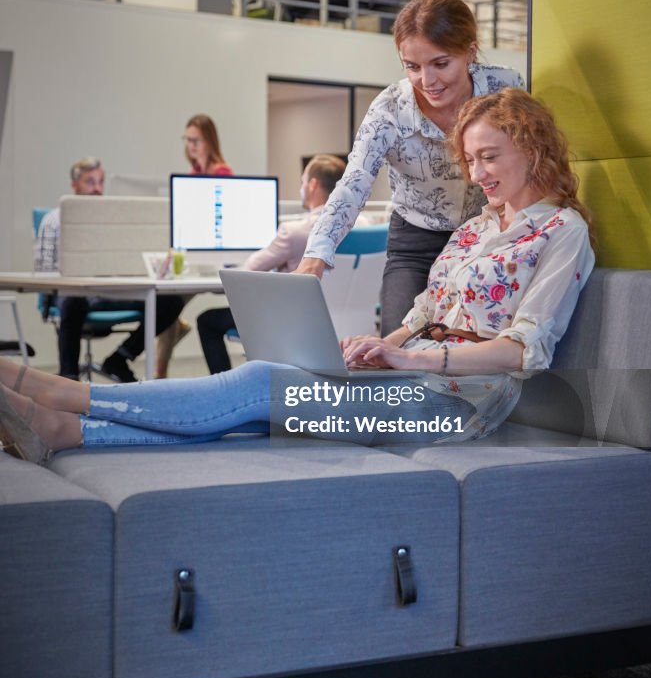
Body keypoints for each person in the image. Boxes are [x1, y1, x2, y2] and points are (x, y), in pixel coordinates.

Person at [3, 89, 595, 462]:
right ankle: (65, 430)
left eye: (490, 156)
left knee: (261, 383)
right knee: (257, 414)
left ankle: (66, 394)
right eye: (471, 160)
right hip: (405, 382)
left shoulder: (562, 231)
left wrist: (414, 360)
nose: (478, 172)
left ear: (532, 147)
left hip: (457, 405)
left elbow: (524, 350)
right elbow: (421, 316)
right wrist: (378, 347)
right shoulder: (475, 227)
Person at [294, 0, 526, 335]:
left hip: (489, 233)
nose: (427, 81)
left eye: (441, 63)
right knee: (397, 342)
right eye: (412, 67)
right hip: (416, 239)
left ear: (470, 52)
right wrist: (317, 254)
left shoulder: (504, 88)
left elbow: (531, 158)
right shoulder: (389, 108)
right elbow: (353, 182)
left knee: (473, 341)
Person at [197, 154, 365, 373]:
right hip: (353, 327)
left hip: (296, 326)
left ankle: (225, 389)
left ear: (312, 184)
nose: (301, 187)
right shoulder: (365, 225)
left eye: (303, 181)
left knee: (207, 320)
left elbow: (251, 269)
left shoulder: (295, 231)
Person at [34, 157, 184, 383]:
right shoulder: (54, 220)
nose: (97, 189)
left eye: (100, 182)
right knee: (73, 300)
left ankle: (120, 358)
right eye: (90, 182)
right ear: (74, 185)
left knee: (169, 303)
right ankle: (69, 377)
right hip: (71, 293)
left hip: (109, 291)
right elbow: (43, 273)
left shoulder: (110, 219)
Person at [153, 114, 235, 379]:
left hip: (216, 258)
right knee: (167, 301)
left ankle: (160, 371)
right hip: (193, 258)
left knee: (170, 305)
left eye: (196, 140)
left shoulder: (223, 174)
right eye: (187, 140)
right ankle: (160, 373)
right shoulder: (192, 175)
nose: (191, 146)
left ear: (209, 141)